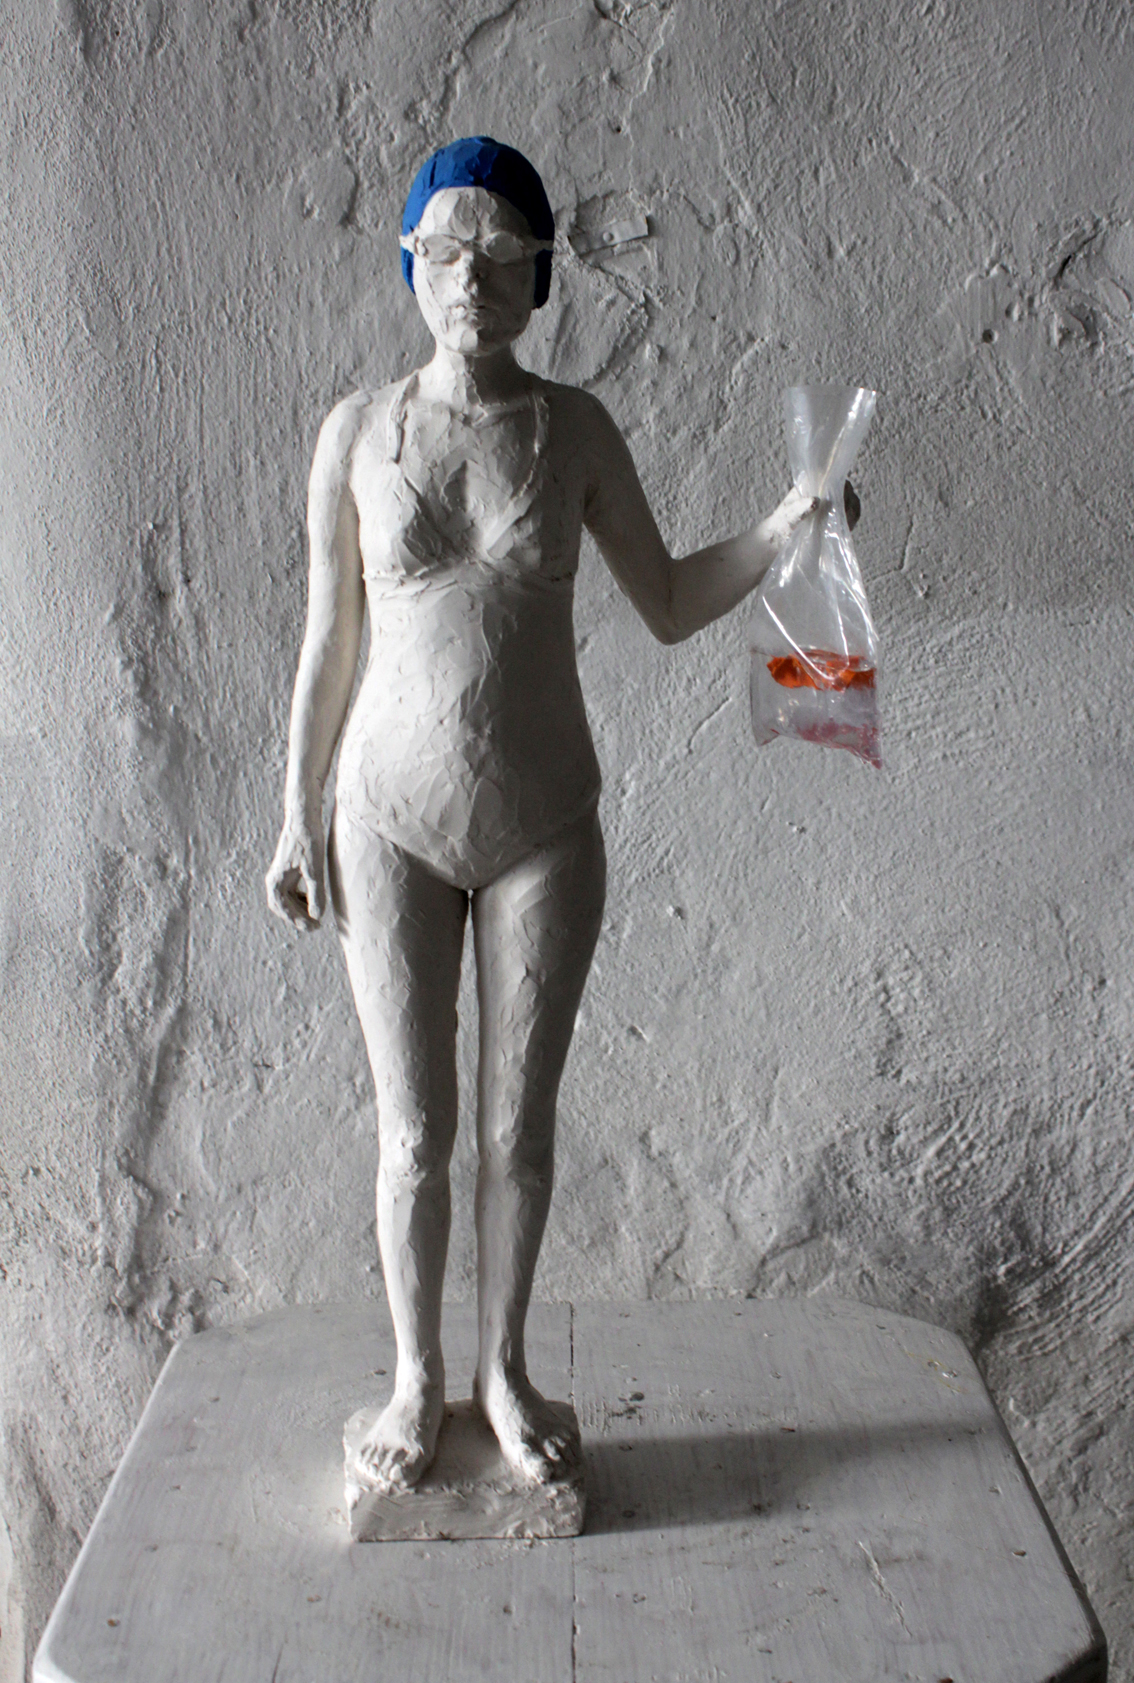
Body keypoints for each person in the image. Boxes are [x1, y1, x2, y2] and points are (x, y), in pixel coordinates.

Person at [265, 137, 816, 1493]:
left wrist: (783, 529)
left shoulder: (575, 430)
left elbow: (668, 602)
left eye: (503, 254)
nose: (473, 278)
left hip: (544, 820)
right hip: (384, 816)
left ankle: (502, 1370)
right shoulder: (355, 431)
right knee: (413, 1134)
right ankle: (416, 1377)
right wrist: (292, 816)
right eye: (447, 252)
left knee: (518, 1131)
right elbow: (327, 643)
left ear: (541, 277)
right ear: (410, 266)